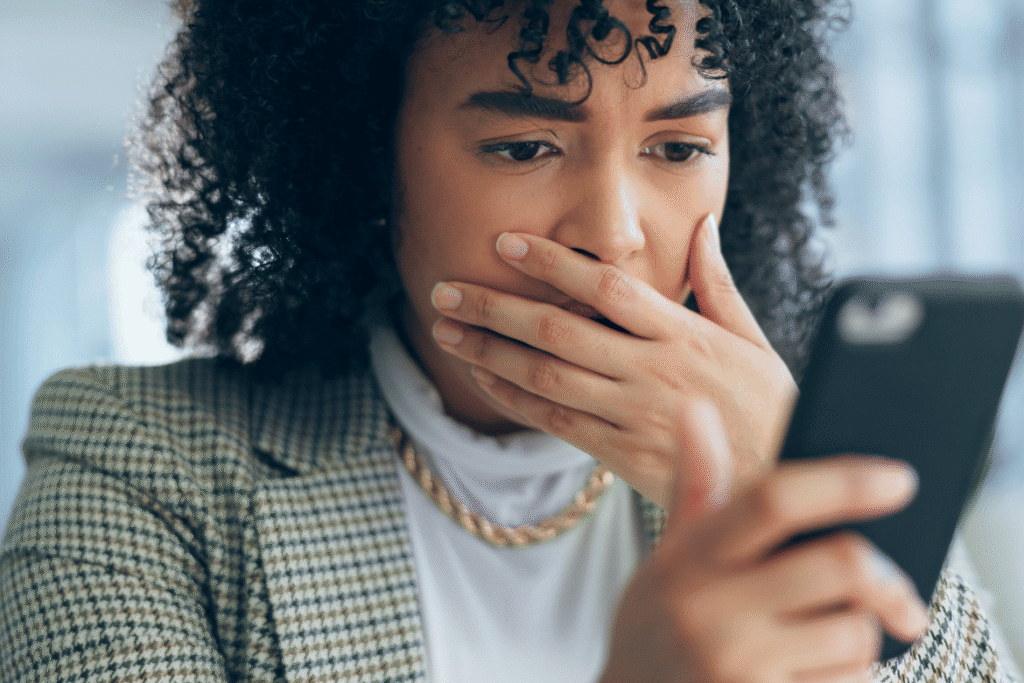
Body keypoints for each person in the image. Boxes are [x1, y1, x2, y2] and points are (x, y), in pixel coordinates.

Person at [1, 1, 1019, 681]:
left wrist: (801, 496)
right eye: (525, 145)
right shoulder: (130, 461)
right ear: (364, 161)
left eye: (678, 147)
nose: (615, 229)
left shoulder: (796, 438)